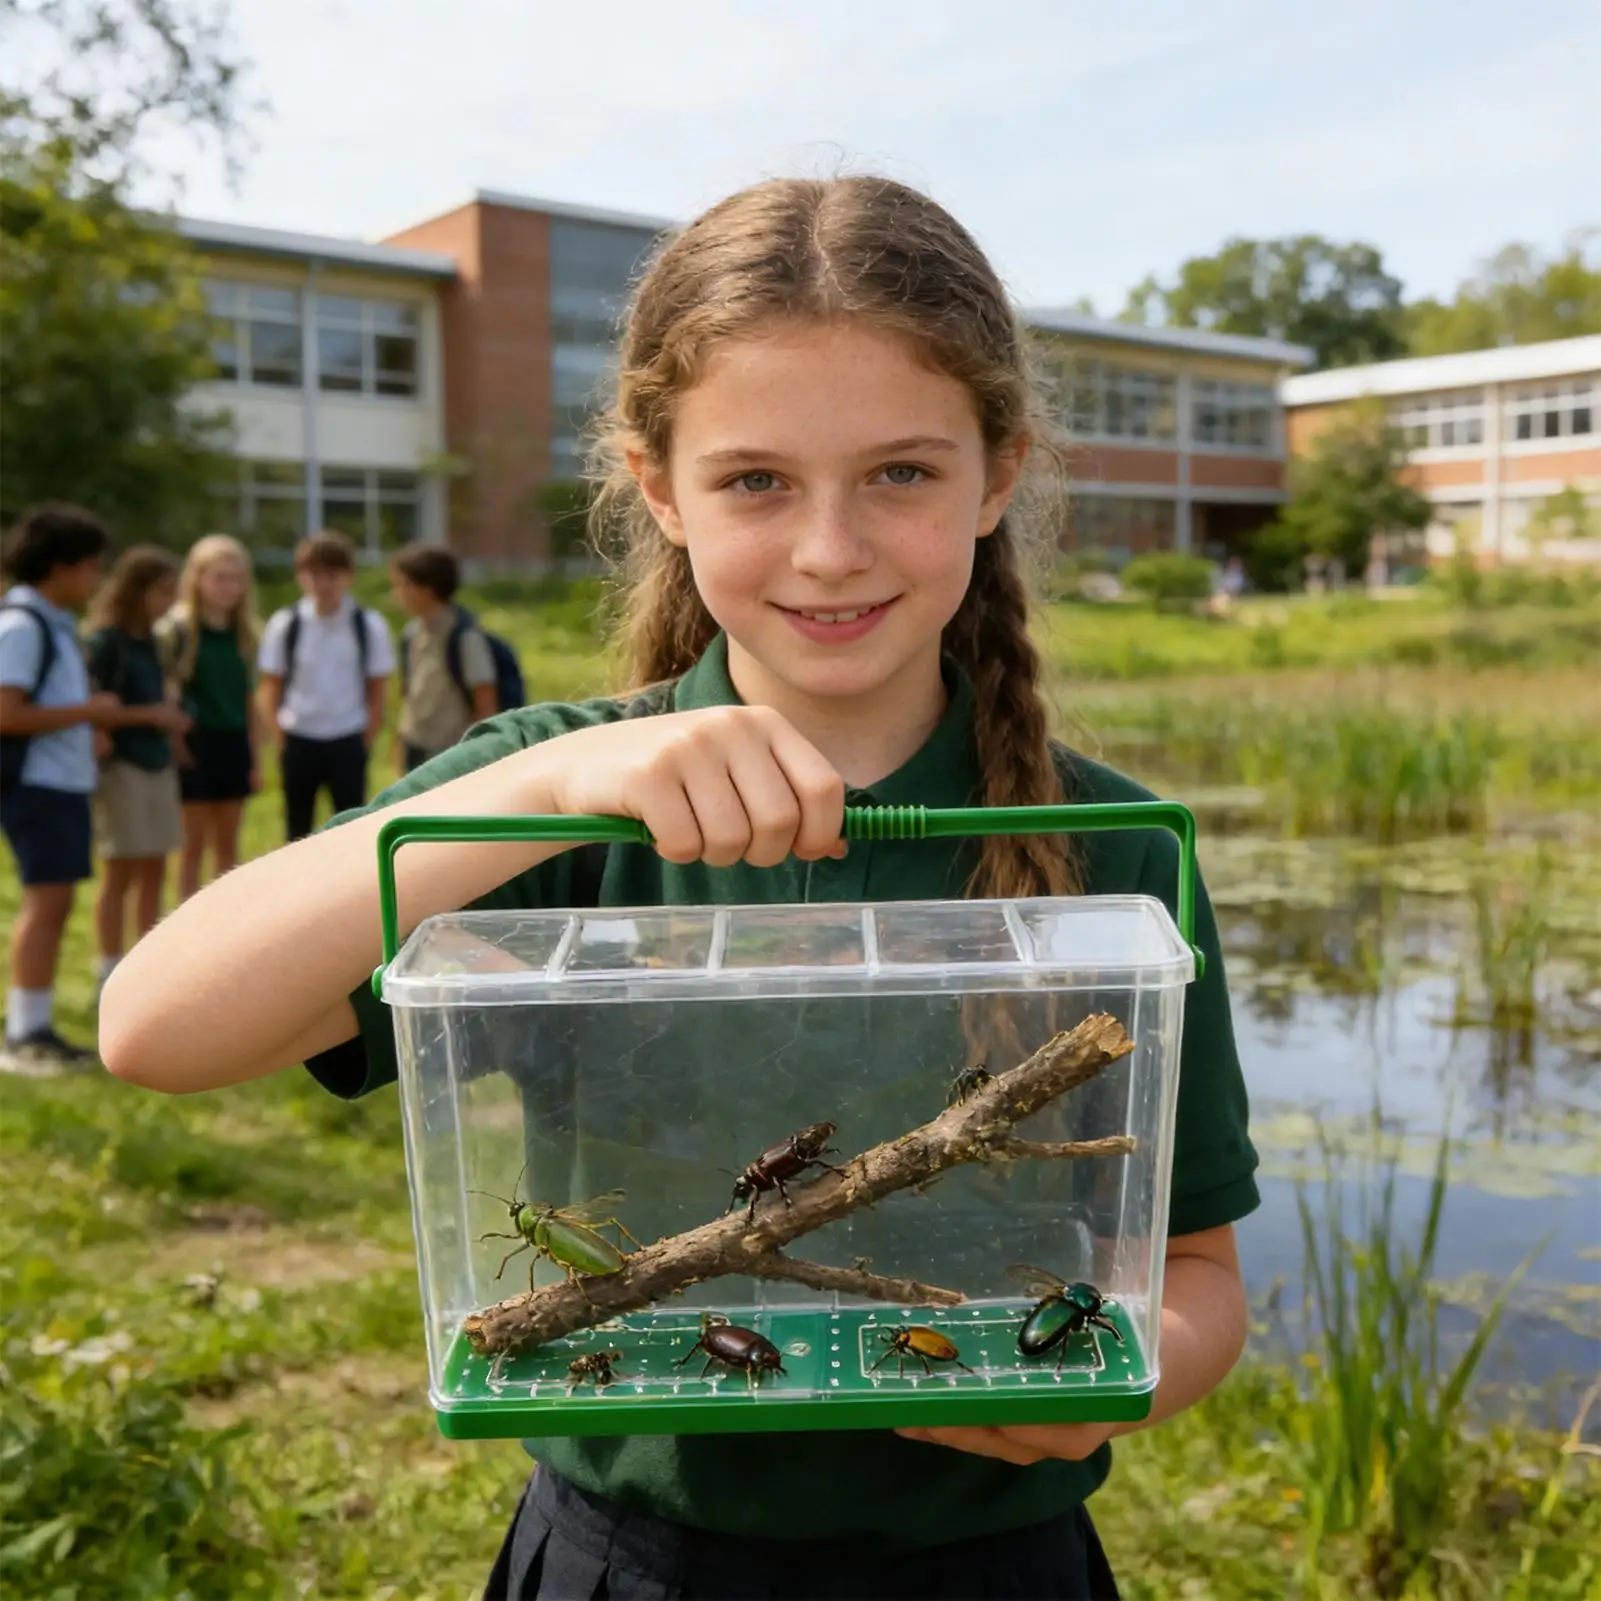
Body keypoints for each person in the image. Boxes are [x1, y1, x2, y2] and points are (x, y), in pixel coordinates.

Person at [100, 176, 1258, 1600]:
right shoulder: (556, 802)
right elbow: (155, 1027)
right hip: (628, 1564)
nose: (829, 548)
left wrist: (1123, 1379)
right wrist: (539, 787)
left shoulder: (1117, 842)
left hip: (995, 1563)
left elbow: (1196, 1270)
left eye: (901, 472)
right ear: (660, 486)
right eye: (755, 480)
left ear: (997, 472)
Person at [0, 505, 133, 1071]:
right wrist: (89, 711)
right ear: (60, 567)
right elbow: (7, 714)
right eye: (90, 567)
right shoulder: (21, 626)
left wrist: (86, 729)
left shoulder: (51, 622)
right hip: (38, 785)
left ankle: (35, 1024)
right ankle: (23, 1033)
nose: (96, 579)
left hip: (60, 780)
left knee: (55, 905)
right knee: (46, 903)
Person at [85, 545, 191, 994]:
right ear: (137, 589)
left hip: (157, 763)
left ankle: (142, 964)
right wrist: (150, 716)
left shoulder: (154, 641)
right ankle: (108, 968)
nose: (169, 602)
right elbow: (94, 709)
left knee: (154, 865)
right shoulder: (106, 641)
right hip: (122, 765)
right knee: (119, 870)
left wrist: (169, 718)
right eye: (163, 591)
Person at [257, 531, 394, 841]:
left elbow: (378, 687)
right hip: (299, 737)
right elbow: (270, 685)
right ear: (301, 577)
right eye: (314, 574)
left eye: (332, 575)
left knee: (351, 828)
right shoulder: (285, 624)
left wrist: (367, 736)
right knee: (297, 830)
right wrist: (279, 738)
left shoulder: (368, 625)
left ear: (348, 577)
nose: (323, 584)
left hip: (347, 737)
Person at [160, 533, 265, 899]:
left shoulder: (246, 633)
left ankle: (223, 921)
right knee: (191, 846)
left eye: (236, 578)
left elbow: (250, 700)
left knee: (227, 846)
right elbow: (167, 692)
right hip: (194, 743)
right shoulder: (178, 630)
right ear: (198, 578)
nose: (229, 587)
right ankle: (185, 924)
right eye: (220, 577)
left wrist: (256, 756)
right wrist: (176, 745)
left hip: (232, 742)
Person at [388, 543, 498, 773]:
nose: (397, 594)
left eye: (404, 585)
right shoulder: (411, 633)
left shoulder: (464, 636)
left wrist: (479, 754)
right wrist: (401, 740)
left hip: (449, 753)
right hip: (415, 745)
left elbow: (485, 701)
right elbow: (410, 693)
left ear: (427, 590)